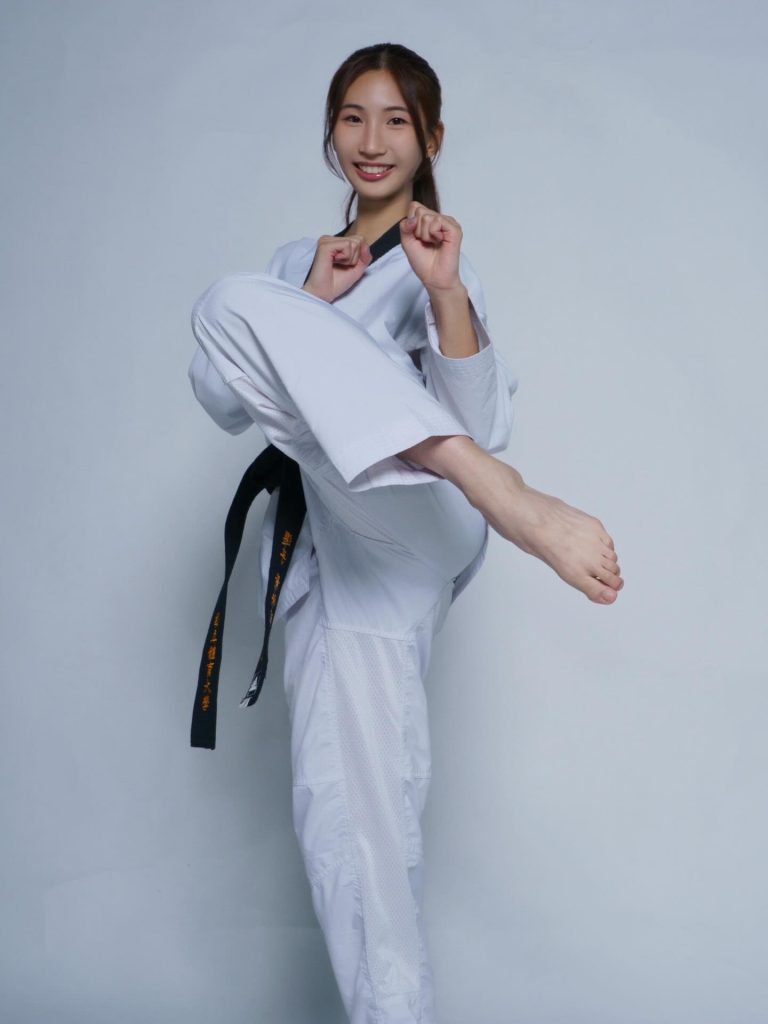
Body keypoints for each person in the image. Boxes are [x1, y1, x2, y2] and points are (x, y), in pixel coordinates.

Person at [187, 41, 623, 1024]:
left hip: (430, 517)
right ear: (330, 133)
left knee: (265, 320)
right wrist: (313, 301)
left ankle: (507, 497)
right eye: (353, 117)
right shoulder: (293, 266)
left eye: (396, 120)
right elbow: (221, 398)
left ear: (431, 139)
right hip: (339, 560)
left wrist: (445, 291)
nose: (373, 140)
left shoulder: (439, 260)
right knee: (350, 828)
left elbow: (483, 414)